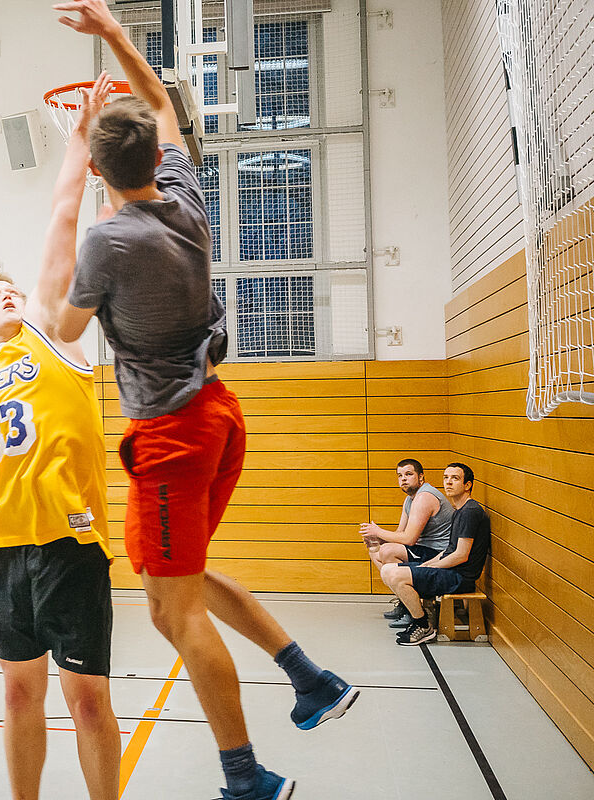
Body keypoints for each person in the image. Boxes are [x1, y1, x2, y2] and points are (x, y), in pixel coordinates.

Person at [52, 3, 358, 799]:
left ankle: (245, 774)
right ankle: (308, 677)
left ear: (96, 171)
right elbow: (161, 104)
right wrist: (117, 37)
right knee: (178, 586)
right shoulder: (186, 198)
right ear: (157, 153)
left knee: (172, 612)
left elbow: (64, 328)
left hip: (171, 435)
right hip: (217, 413)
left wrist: (67, 199)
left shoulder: (108, 242)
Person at [0, 74, 123, 800]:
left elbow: (62, 219)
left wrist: (78, 140)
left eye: (13, 289)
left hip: (70, 546)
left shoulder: (54, 337)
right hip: (5, 554)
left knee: (89, 702)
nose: (7, 294)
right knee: (17, 698)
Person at [379, 462, 491, 646]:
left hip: (459, 577)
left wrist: (430, 566)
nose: (448, 482)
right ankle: (419, 618)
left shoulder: (470, 512)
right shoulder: (459, 511)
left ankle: (423, 626)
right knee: (389, 569)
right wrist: (428, 564)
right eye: (446, 478)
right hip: (450, 571)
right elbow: (449, 550)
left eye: (455, 478)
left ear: (467, 485)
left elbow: (461, 555)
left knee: (394, 574)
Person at [360, 459, 454, 627]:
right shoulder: (410, 499)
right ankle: (406, 600)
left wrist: (378, 531)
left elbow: (409, 539)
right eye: (400, 475)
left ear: (421, 478)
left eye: (409, 474)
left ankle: (412, 609)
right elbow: (399, 534)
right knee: (376, 550)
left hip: (439, 553)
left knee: (388, 552)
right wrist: (376, 538)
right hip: (424, 548)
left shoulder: (425, 497)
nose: (403, 479)